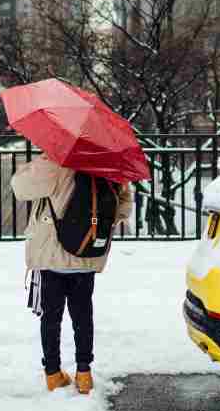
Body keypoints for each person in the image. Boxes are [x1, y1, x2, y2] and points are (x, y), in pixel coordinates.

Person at [11, 153, 134, 394]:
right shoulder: (108, 163)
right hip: (87, 257)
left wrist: (41, 159)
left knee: (51, 318)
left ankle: (53, 374)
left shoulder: (57, 163)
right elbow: (123, 209)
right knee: (83, 316)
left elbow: (20, 187)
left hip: (52, 257)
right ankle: (84, 373)